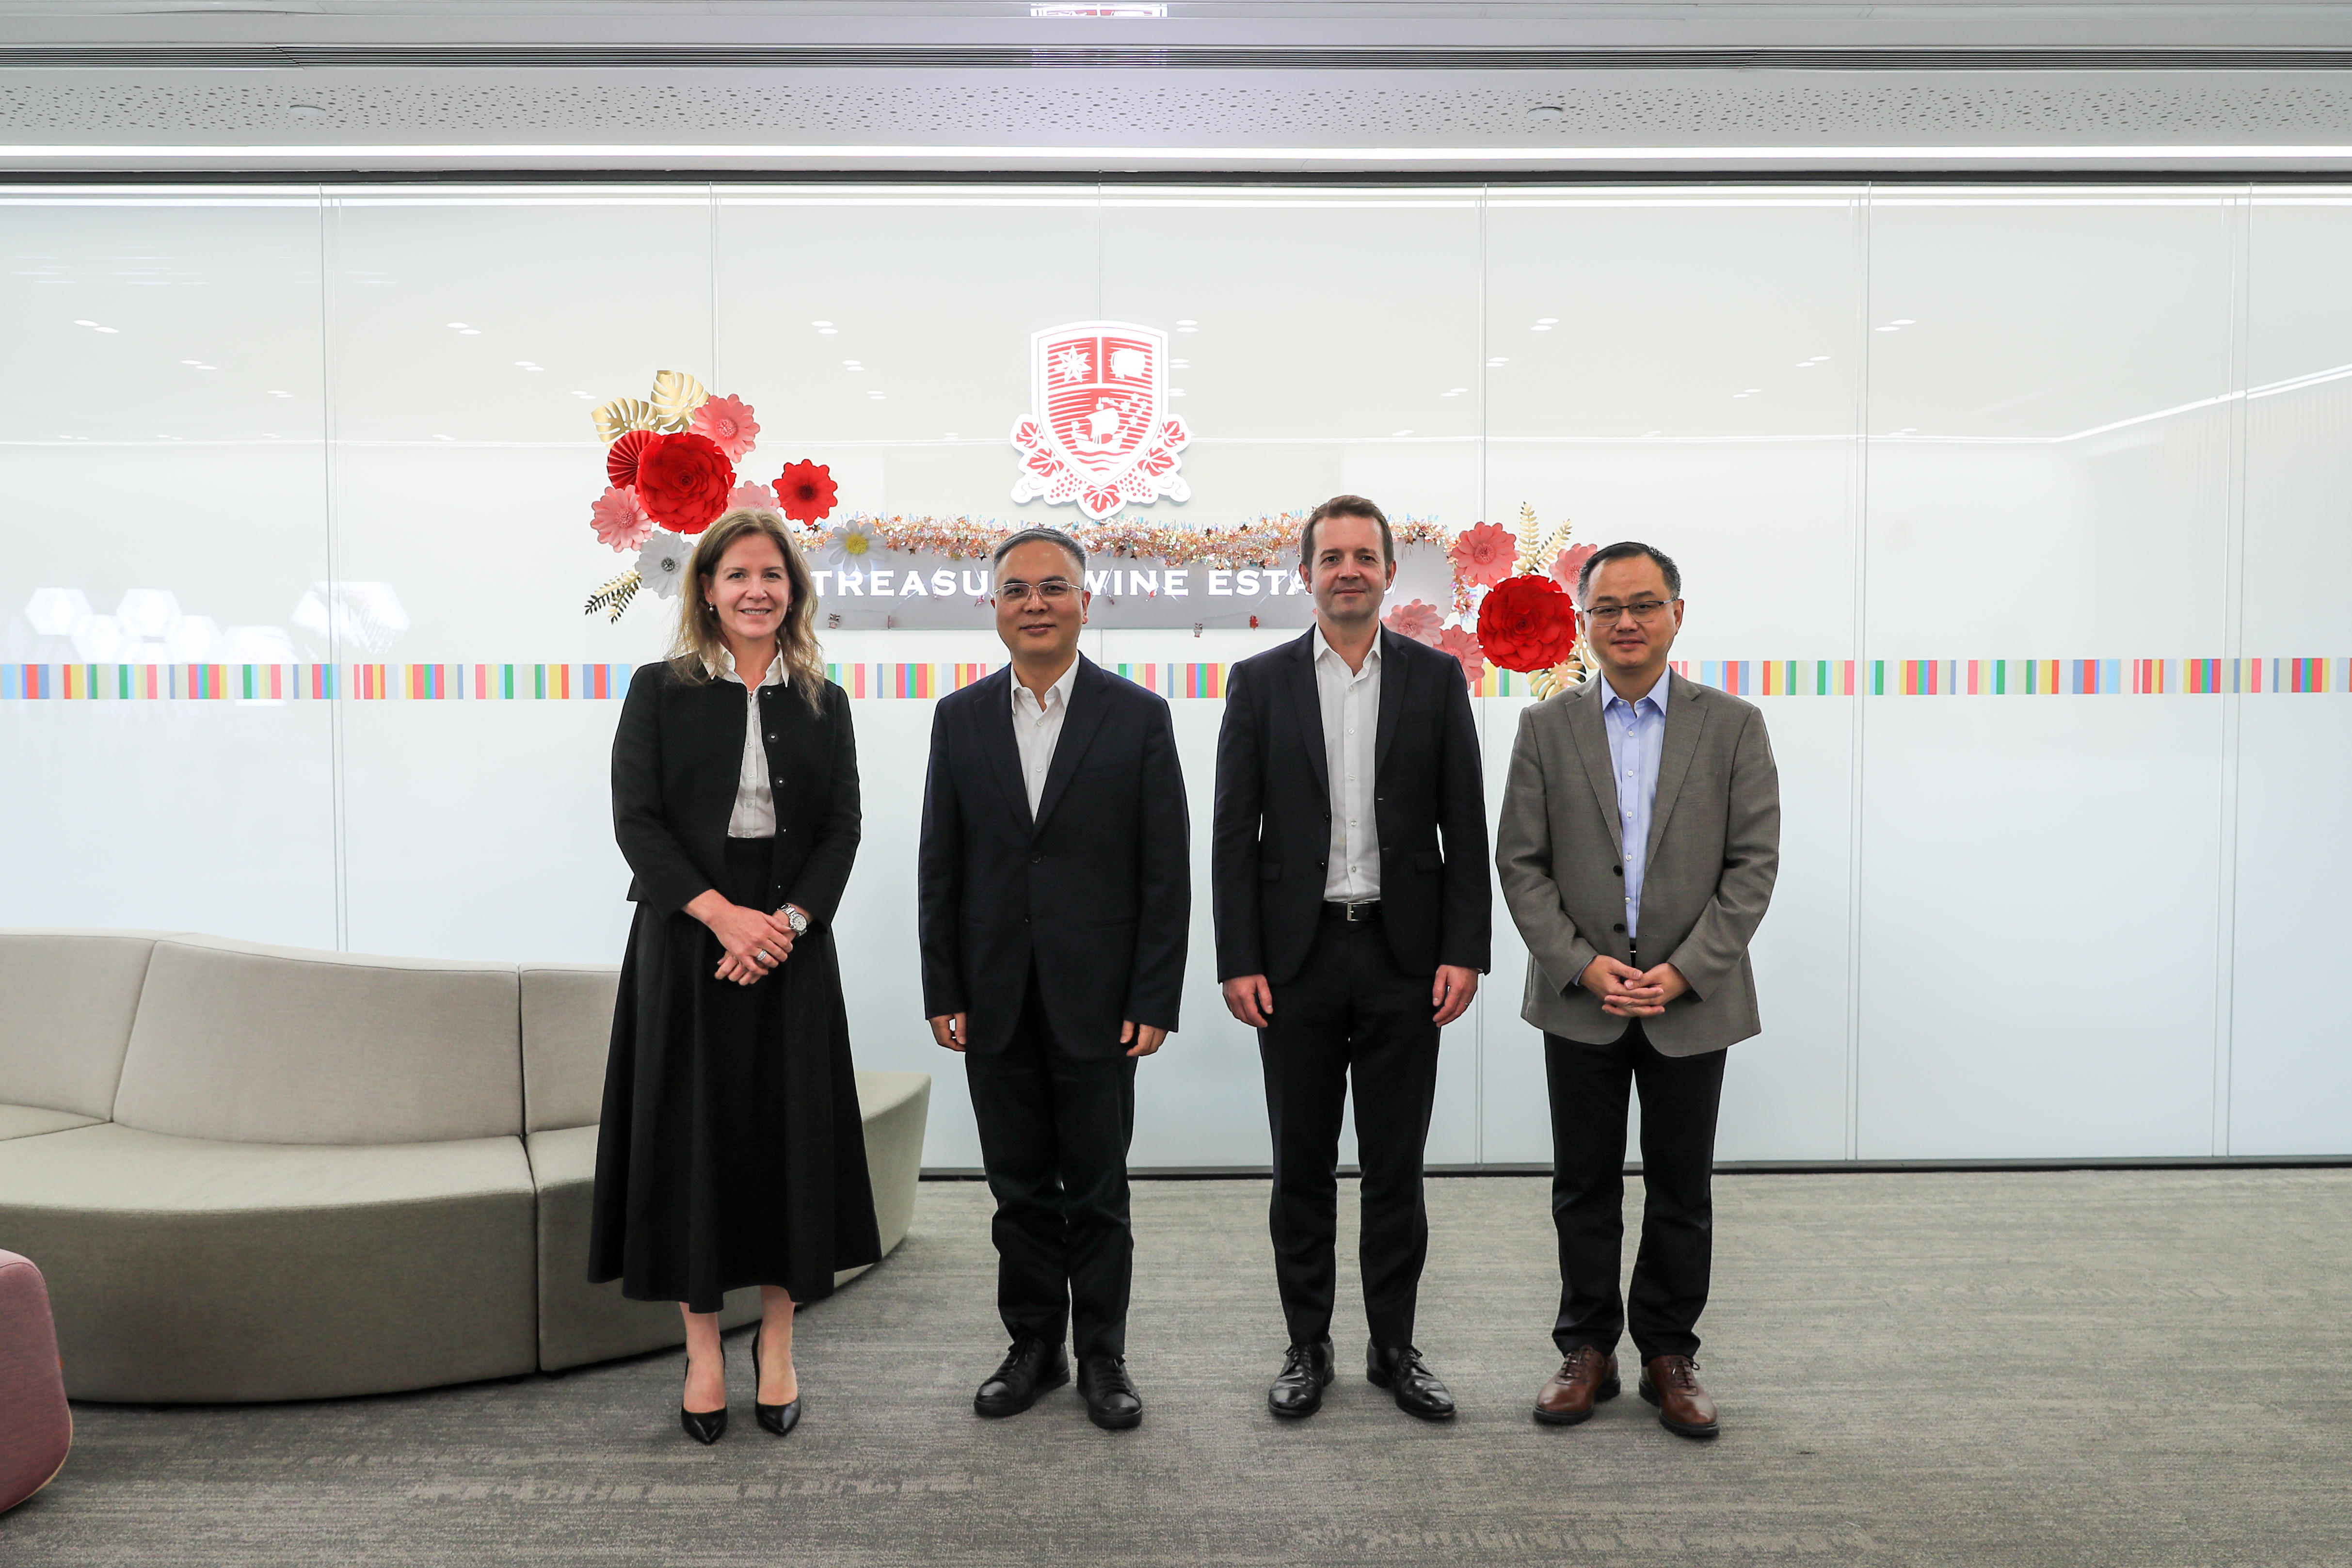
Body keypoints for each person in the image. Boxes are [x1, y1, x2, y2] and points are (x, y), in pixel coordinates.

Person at [588, 507, 880, 1445]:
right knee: (695, 1145)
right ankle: (704, 1349)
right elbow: (637, 821)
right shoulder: (659, 689)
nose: (758, 590)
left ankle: (779, 1343)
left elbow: (842, 828)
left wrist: (784, 925)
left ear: (794, 591)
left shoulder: (823, 699)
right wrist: (722, 915)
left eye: (773, 574)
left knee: (790, 1140)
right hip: (688, 940)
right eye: (739, 574)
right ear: (708, 591)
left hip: (791, 943)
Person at [1211, 495, 1489, 1423]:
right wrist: (1238, 956)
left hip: (1406, 959)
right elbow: (1232, 833)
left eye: (1364, 556)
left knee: (1395, 1167)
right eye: (1331, 558)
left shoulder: (1435, 679)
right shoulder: (1259, 683)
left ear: (1388, 573)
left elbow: (1464, 823)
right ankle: (1308, 1344)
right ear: (1307, 574)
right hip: (1296, 960)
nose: (1348, 571)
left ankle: (1394, 1348)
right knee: (1300, 1165)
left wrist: (1465, 949)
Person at [1494, 541, 1780, 1440]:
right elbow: (1521, 863)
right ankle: (1587, 1348)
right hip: (1581, 996)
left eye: (1644, 604)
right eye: (1608, 608)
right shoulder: (1545, 728)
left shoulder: (1733, 725)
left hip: (1692, 999)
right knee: (1582, 1184)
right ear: (1584, 622)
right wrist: (1582, 964)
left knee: (1681, 1187)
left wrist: (1687, 967)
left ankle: (1668, 1353)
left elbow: (1753, 865)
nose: (1627, 622)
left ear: (1676, 615)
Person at [918, 525, 1190, 1432]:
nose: (1035, 602)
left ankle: (1104, 1354)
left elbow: (1165, 870)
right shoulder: (959, 718)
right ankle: (1034, 1344)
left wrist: (1154, 995)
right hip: (993, 994)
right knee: (1019, 1189)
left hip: (1101, 1000)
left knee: (1099, 1190)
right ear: (995, 607)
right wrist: (944, 986)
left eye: (1053, 587)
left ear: (1084, 600)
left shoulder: (1138, 715)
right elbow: (940, 863)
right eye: (1017, 589)